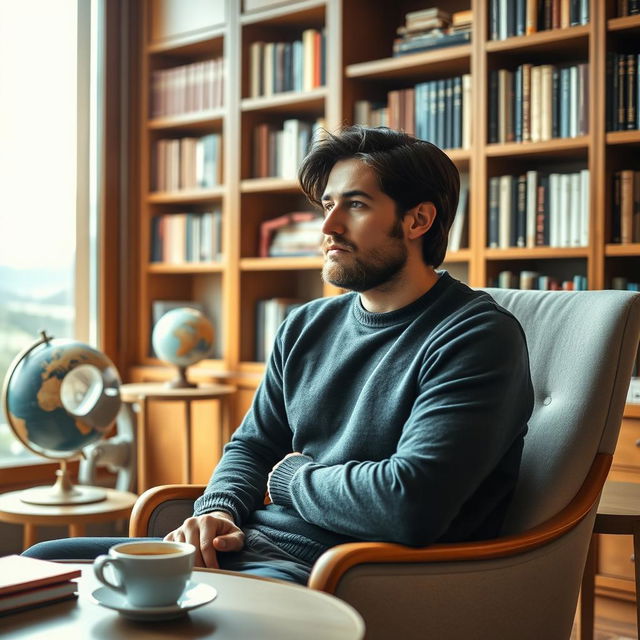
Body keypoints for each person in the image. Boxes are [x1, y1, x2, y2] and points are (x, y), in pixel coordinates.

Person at [23, 126, 534, 586]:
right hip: (246, 547)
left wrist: (289, 477)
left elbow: (408, 505)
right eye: (327, 205)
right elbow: (252, 446)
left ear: (418, 219)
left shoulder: (475, 337)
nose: (328, 227)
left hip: (339, 572)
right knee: (44, 562)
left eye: (354, 205)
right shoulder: (306, 326)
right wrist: (219, 510)